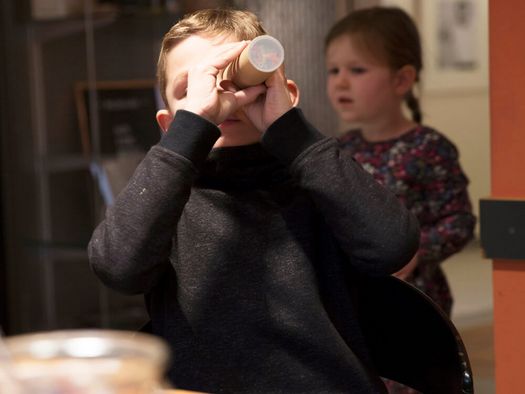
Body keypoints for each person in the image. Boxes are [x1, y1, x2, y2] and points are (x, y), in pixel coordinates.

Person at [88, 8, 419, 393]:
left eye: (238, 82)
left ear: (286, 94)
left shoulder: (320, 178)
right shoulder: (165, 197)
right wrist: (190, 132)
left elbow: (392, 247)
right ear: (168, 124)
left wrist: (291, 131)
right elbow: (118, 268)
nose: (219, 98)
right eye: (191, 90)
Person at [325, 6, 475, 322]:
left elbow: (458, 220)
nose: (340, 83)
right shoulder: (339, 150)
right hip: (353, 298)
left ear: (402, 79)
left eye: (357, 70)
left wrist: (418, 252)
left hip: (412, 300)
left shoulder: (428, 147)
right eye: (333, 71)